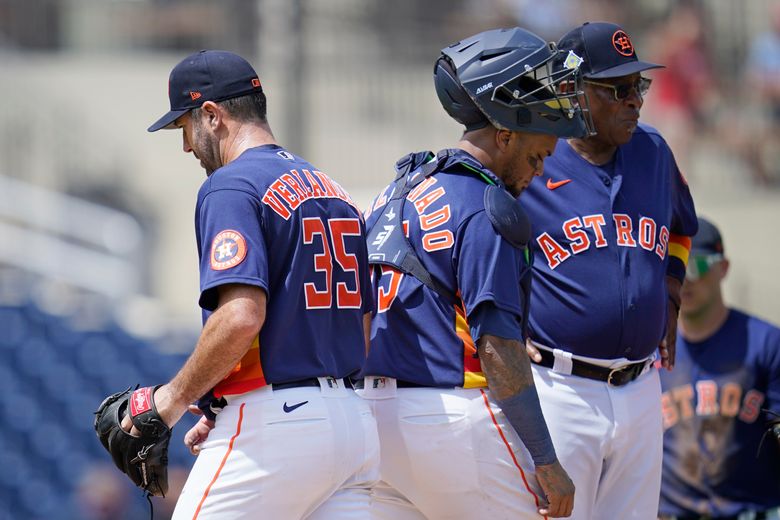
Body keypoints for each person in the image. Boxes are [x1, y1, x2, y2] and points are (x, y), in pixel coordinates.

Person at [360, 27, 591, 518]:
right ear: (504, 135)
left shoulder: (395, 193)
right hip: (454, 419)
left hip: (373, 423)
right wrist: (546, 460)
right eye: (537, 155)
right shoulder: (486, 205)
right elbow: (497, 346)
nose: (539, 172)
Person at [142, 50, 379, 518]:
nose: (187, 147)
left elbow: (240, 316)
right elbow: (364, 326)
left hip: (278, 426)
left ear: (211, 116)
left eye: (185, 128)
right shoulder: (332, 189)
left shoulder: (231, 184)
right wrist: (223, 404)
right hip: (354, 424)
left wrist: (171, 401)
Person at [520, 22, 698, 519]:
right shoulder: (534, 159)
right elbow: (478, 251)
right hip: (560, 389)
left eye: (637, 86)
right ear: (573, 91)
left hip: (642, 390)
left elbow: (683, 229)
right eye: (616, 89)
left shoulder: (654, 152)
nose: (634, 101)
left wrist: (671, 289)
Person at [658, 217, 780, 520]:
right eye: (675, 265)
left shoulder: (765, 342)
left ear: (723, 268)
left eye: (697, 264)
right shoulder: (644, 350)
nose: (687, 278)